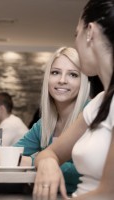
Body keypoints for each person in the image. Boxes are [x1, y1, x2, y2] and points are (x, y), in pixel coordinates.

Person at [33, 0, 114, 199]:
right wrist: (48, 162)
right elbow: (50, 153)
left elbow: (108, 193)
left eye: (75, 34)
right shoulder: (99, 103)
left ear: (90, 33)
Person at [14, 47, 90, 195]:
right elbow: (13, 153)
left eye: (73, 75)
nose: (62, 80)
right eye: (55, 72)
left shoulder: (92, 113)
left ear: (83, 82)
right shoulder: (45, 124)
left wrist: (35, 162)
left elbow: (93, 171)